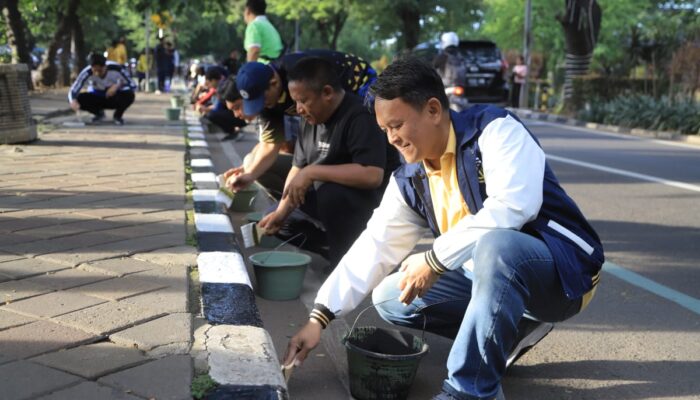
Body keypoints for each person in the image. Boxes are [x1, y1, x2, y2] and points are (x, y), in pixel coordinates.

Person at [282, 57, 604, 400]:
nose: (391, 139)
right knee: (391, 297)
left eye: (397, 125)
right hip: (490, 274)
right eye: (385, 130)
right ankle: (511, 330)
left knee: (497, 247)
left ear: (433, 109)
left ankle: (469, 391)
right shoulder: (410, 179)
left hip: (564, 275)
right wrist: (319, 317)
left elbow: (513, 206)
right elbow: (375, 245)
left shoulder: (495, 131)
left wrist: (434, 260)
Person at [258, 57, 399, 269]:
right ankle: (338, 249)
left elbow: (372, 175)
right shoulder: (309, 119)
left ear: (327, 93)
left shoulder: (360, 115)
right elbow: (297, 167)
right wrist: (281, 213)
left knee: (330, 193)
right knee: (276, 218)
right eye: (295, 101)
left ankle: (347, 261)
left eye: (303, 101)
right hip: (329, 195)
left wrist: (313, 172)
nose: (299, 109)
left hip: (370, 202)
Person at [223, 50, 378, 198]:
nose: (263, 106)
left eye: (263, 100)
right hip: (329, 107)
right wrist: (249, 175)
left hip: (360, 85)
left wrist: (314, 172)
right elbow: (270, 144)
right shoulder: (266, 94)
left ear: (274, 83)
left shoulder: (297, 73)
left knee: (337, 155)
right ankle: (308, 200)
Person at [69, 53, 136, 125]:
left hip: (114, 97)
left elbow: (133, 85)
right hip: (97, 96)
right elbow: (74, 89)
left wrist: (117, 86)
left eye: (100, 70)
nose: (97, 73)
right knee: (78, 98)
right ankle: (98, 113)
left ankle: (118, 116)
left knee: (129, 95)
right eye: (95, 70)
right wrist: (73, 100)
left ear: (105, 67)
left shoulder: (117, 68)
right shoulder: (86, 73)